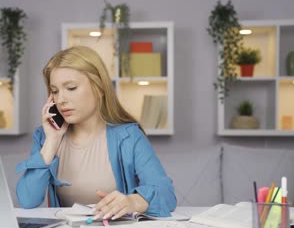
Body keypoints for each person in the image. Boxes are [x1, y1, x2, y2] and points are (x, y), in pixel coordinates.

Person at [16, 46, 176, 219]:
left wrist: (132, 202)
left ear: (99, 88)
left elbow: (166, 194)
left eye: (71, 88)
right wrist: (52, 142)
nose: (61, 99)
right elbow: (27, 200)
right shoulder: (46, 136)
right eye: (55, 91)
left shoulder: (129, 136)